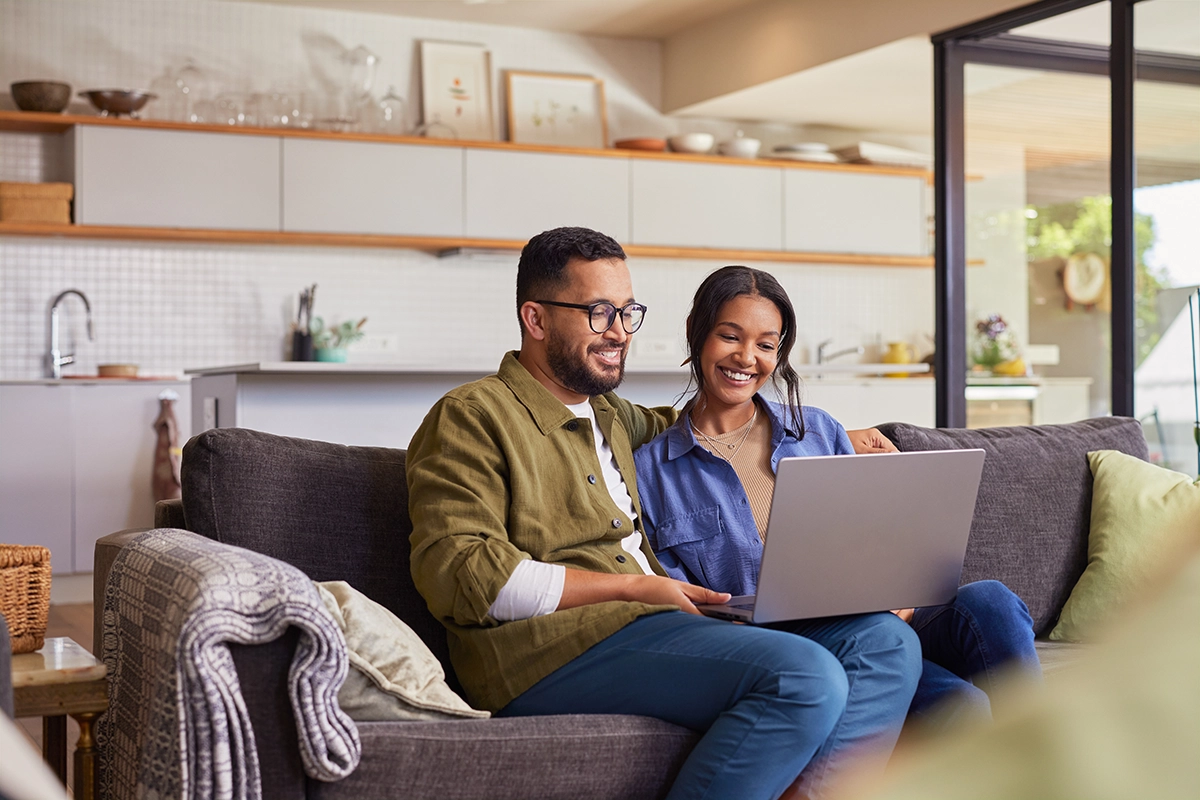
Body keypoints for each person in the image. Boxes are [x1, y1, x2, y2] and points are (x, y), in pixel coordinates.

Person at [407, 228, 922, 800]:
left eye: (629, 313)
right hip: (546, 650)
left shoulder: (611, 417)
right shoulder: (472, 416)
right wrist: (631, 588)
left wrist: (837, 442)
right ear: (536, 319)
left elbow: (708, 427)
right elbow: (461, 576)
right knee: (802, 675)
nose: (620, 333)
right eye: (600, 313)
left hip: (654, 624)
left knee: (885, 642)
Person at [634, 265, 1042, 732]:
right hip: (800, 648)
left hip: (883, 617)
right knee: (961, 708)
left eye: (766, 345)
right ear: (696, 332)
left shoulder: (819, 430)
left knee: (992, 600)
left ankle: (1049, 761)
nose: (747, 358)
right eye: (731, 337)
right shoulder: (651, 472)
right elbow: (685, 605)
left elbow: (878, 540)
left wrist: (901, 595)